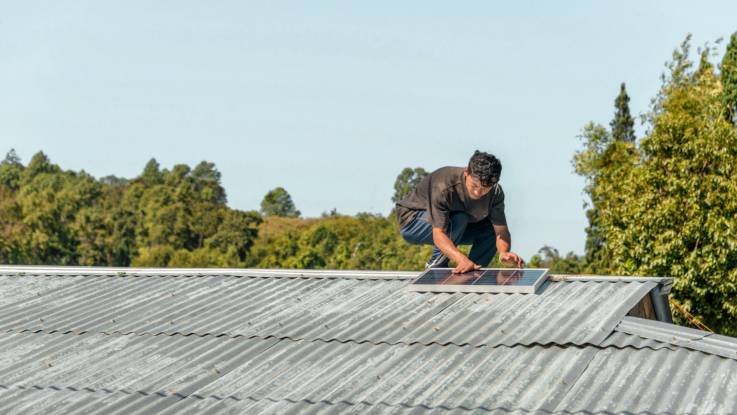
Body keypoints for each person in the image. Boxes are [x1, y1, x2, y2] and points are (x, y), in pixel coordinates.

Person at [395, 150, 524, 273]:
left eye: (485, 188)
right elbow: (438, 234)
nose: (478, 192)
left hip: (456, 226)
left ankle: (474, 270)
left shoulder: (495, 193)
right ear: (466, 172)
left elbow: (501, 231)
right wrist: (460, 258)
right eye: (474, 185)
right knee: (460, 217)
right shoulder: (444, 186)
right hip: (413, 222)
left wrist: (503, 252)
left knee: (490, 228)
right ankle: (436, 266)